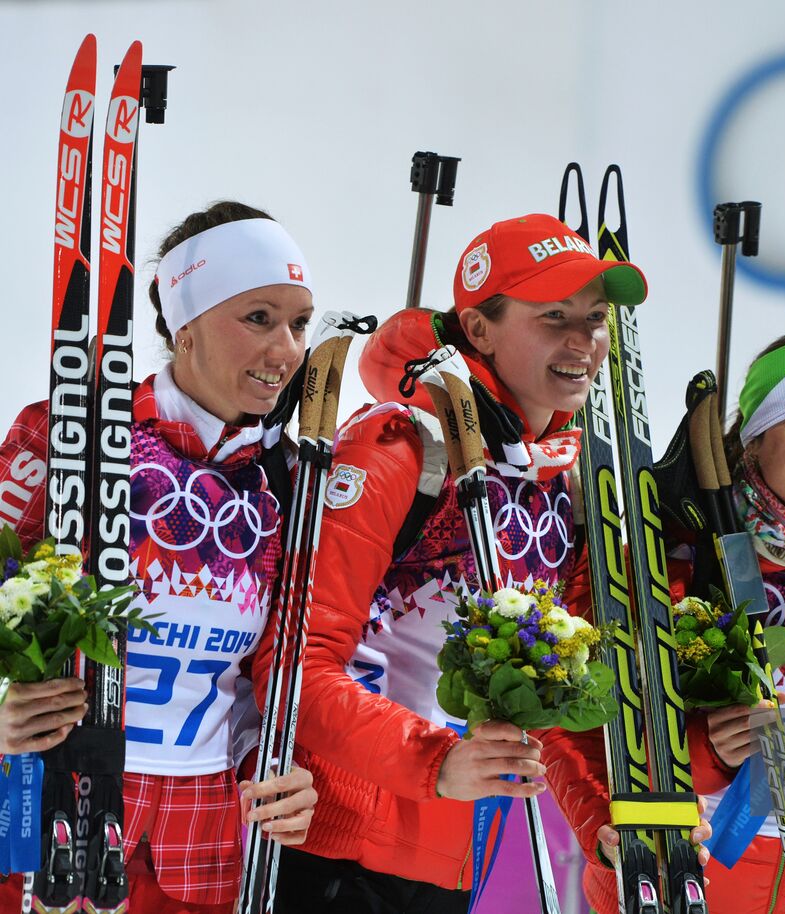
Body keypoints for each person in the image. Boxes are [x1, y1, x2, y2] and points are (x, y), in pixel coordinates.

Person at [265, 213, 710, 913]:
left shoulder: (563, 487)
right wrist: (433, 761)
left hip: (455, 850)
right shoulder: (399, 453)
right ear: (478, 330)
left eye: (594, 321)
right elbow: (297, 668)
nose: (582, 343)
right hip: (330, 847)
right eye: (553, 318)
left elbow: (544, 708)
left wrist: (607, 821)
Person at [0, 201, 319, 914]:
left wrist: (274, 762)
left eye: (299, 323)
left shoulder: (290, 480)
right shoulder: (67, 433)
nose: (287, 351)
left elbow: (275, 667)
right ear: (184, 322)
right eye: (259, 317)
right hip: (57, 793)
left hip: (204, 818)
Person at [546, 333, 785, 913]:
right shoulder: (664, 562)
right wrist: (708, 753)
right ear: (754, 442)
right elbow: (572, 725)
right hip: (684, 875)